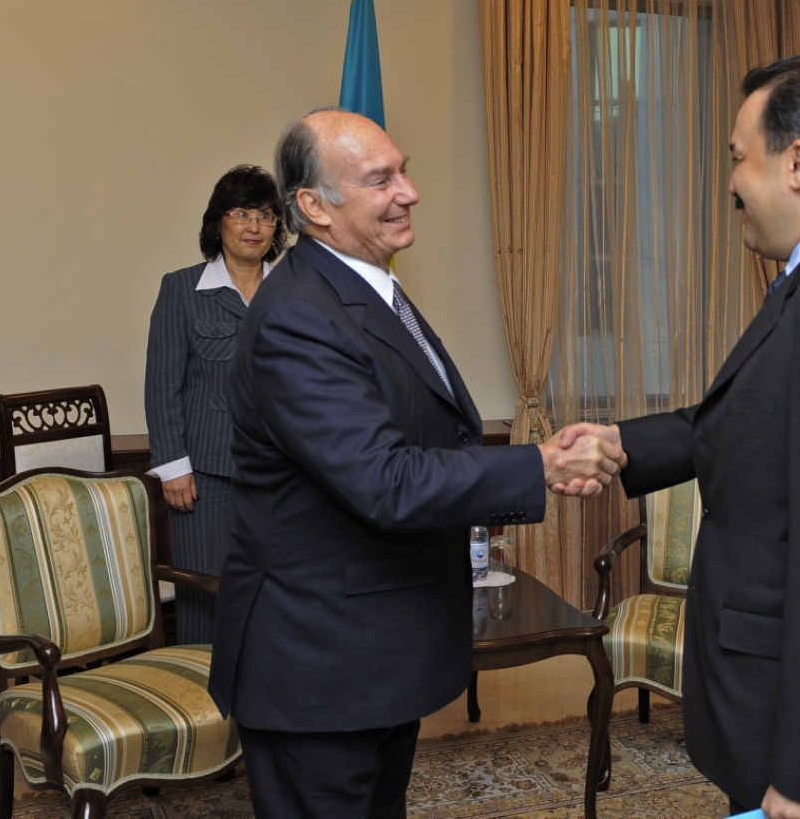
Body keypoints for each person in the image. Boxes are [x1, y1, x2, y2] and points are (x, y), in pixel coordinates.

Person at [560, 54, 800, 819]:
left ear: (799, 163)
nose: (732, 181)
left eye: (738, 158)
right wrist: (621, 441)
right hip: (782, 687)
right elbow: (756, 421)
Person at [208, 107, 622, 819]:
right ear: (313, 207)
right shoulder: (299, 316)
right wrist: (541, 467)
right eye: (380, 179)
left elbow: (432, 435)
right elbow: (384, 479)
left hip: (370, 654)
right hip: (319, 668)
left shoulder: (369, 289)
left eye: (404, 170)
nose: (409, 191)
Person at [145, 164, 287, 644]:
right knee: (207, 605)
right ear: (218, 222)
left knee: (279, 600)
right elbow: (162, 385)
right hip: (205, 479)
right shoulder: (182, 290)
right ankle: (204, 715)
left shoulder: (294, 291)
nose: (253, 226)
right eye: (241, 213)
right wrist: (172, 467)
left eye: (266, 216)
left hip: (285, 476)